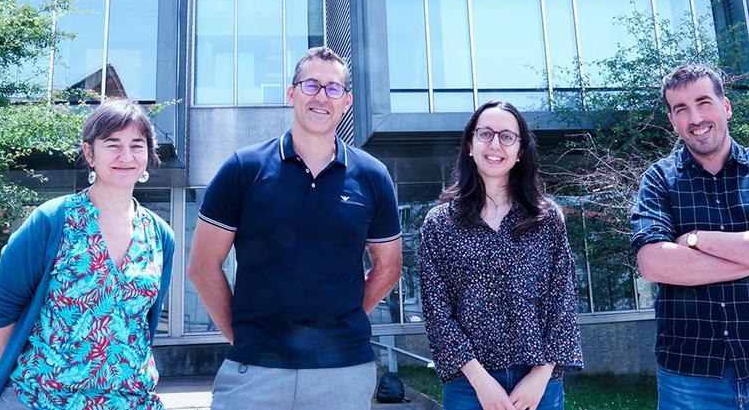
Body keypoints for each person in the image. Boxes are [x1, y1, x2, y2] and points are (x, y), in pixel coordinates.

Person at [187, 46, 403, 410]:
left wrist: (342, 316)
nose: (322, 96)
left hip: (343, 373)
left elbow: (389, 267)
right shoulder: (244, 168)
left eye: (334, 88)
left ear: (346, 101)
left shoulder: (372, 176)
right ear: (291, 93)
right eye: (311, 85)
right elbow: (203, 267)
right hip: (253, 373)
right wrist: (242, 337)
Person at [630, 63, 749, 410]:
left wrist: (695, 240)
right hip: (690, 374)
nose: (695, 117)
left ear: (726, 106)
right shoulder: (658, 180)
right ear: (672, 120)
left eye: (704, 103)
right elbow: (654, 263)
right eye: (681, 109)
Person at [0, 99, 176, 410]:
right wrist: (37, 379)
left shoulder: (160, 235)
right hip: (42, 401)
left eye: (137, 145)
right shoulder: (52, 220)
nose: (126, 156)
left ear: (149, 155)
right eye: (113, 145)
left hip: (130, 402)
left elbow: (142, 327)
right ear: (89, 153)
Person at [419, 100, 583, 410]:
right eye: (485, 134)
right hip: (469, 385)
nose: (495, 144)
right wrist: (480, 381)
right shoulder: (440, 223)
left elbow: (565, 300)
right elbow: (436, 311)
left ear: (521, 151)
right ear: (470, 145)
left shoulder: (547, 219)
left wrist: (542, 375)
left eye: (507, 136)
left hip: (538, 384)